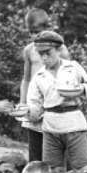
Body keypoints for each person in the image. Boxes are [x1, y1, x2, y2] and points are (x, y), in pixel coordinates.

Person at [16, 30, 87, 173]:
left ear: (59, 50)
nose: (45, 57)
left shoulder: (73, 67)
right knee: (52, 171)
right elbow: (36, 109)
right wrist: (26, 111)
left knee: (82, 168)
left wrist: (80, 90)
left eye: (48, 52)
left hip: (74, 123)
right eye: (41, 54)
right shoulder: (39, 76)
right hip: (50, 126)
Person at [17, 8, 67, 163]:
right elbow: (26, 79)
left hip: (53, 102)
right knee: (35, 150)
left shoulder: (61, 50)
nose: (34, 36)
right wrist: (23, 103)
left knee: (55, 150)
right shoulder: (29, 50)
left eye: (37, 32)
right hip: (34, 103)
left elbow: (67, 78)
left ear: (47, 28)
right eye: (31, 32)